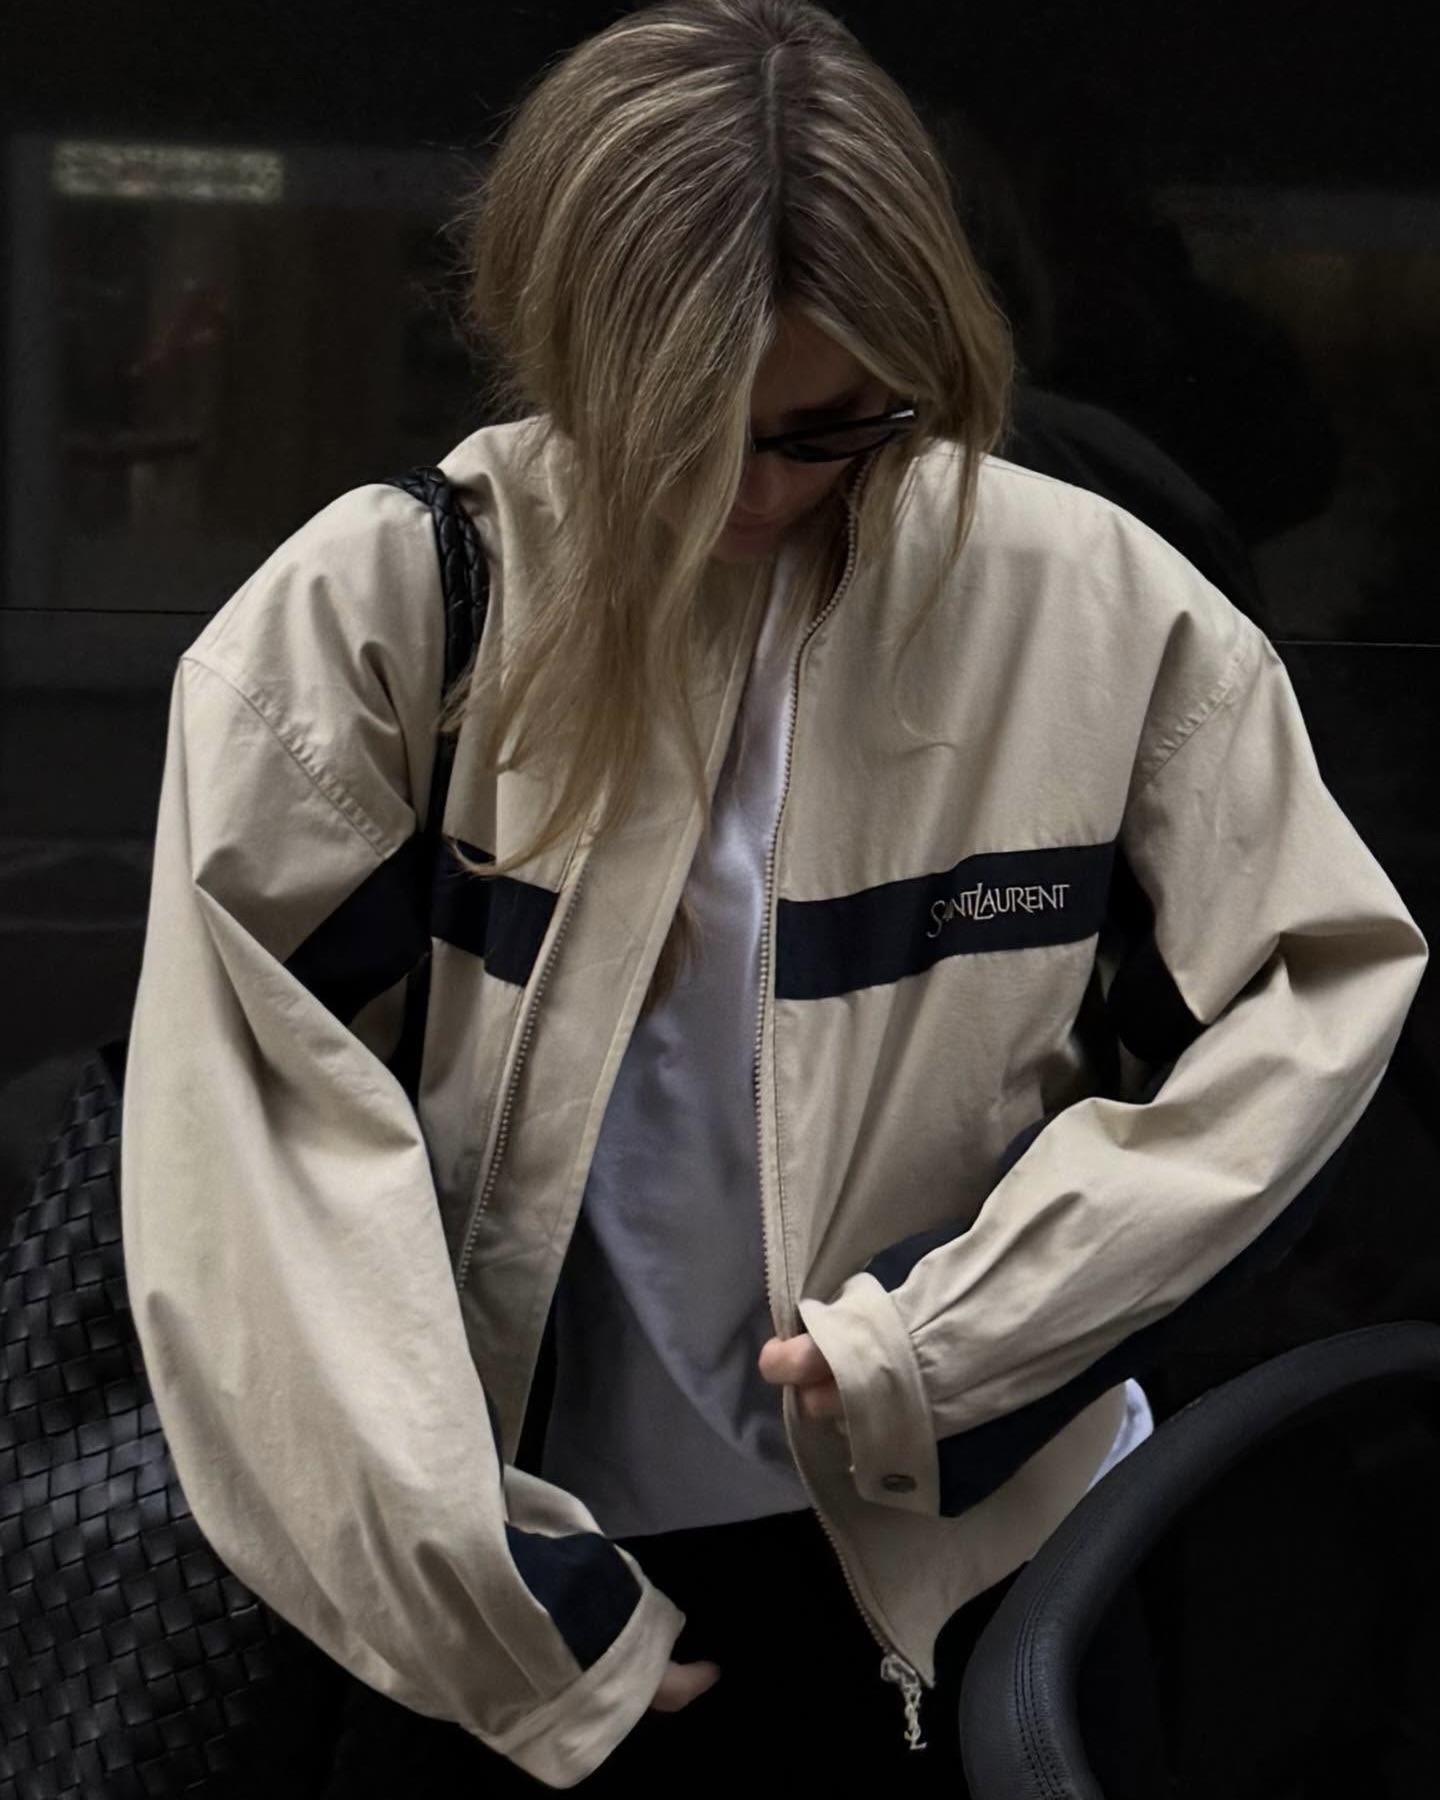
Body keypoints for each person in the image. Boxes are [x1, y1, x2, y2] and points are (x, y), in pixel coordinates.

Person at [119, 1, 1427, 1792]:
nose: (751, 494)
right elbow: (249, 1157)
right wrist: (484, 1595)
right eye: (683, 435)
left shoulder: (1102, 614)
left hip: (976, 1579)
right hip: (540, 1609)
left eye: (826, 429)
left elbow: (1310, 997)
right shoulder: (375, 619)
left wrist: (955, 1338)